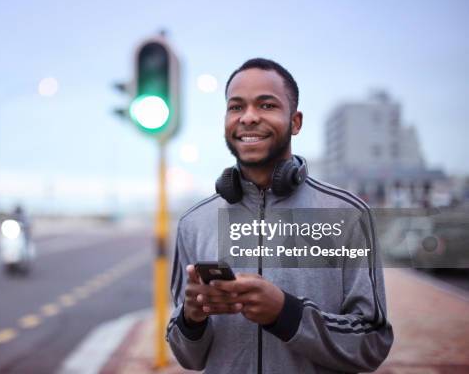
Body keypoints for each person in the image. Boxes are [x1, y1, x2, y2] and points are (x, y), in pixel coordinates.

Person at [166, 58, 394, 373]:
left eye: (267, 105)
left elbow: (372, 344)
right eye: (236, 107)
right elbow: (188, 358)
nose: (248, 118)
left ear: (295, 122)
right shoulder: (194, 222)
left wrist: (287, 314)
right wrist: (192, 318)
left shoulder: (349, 214)